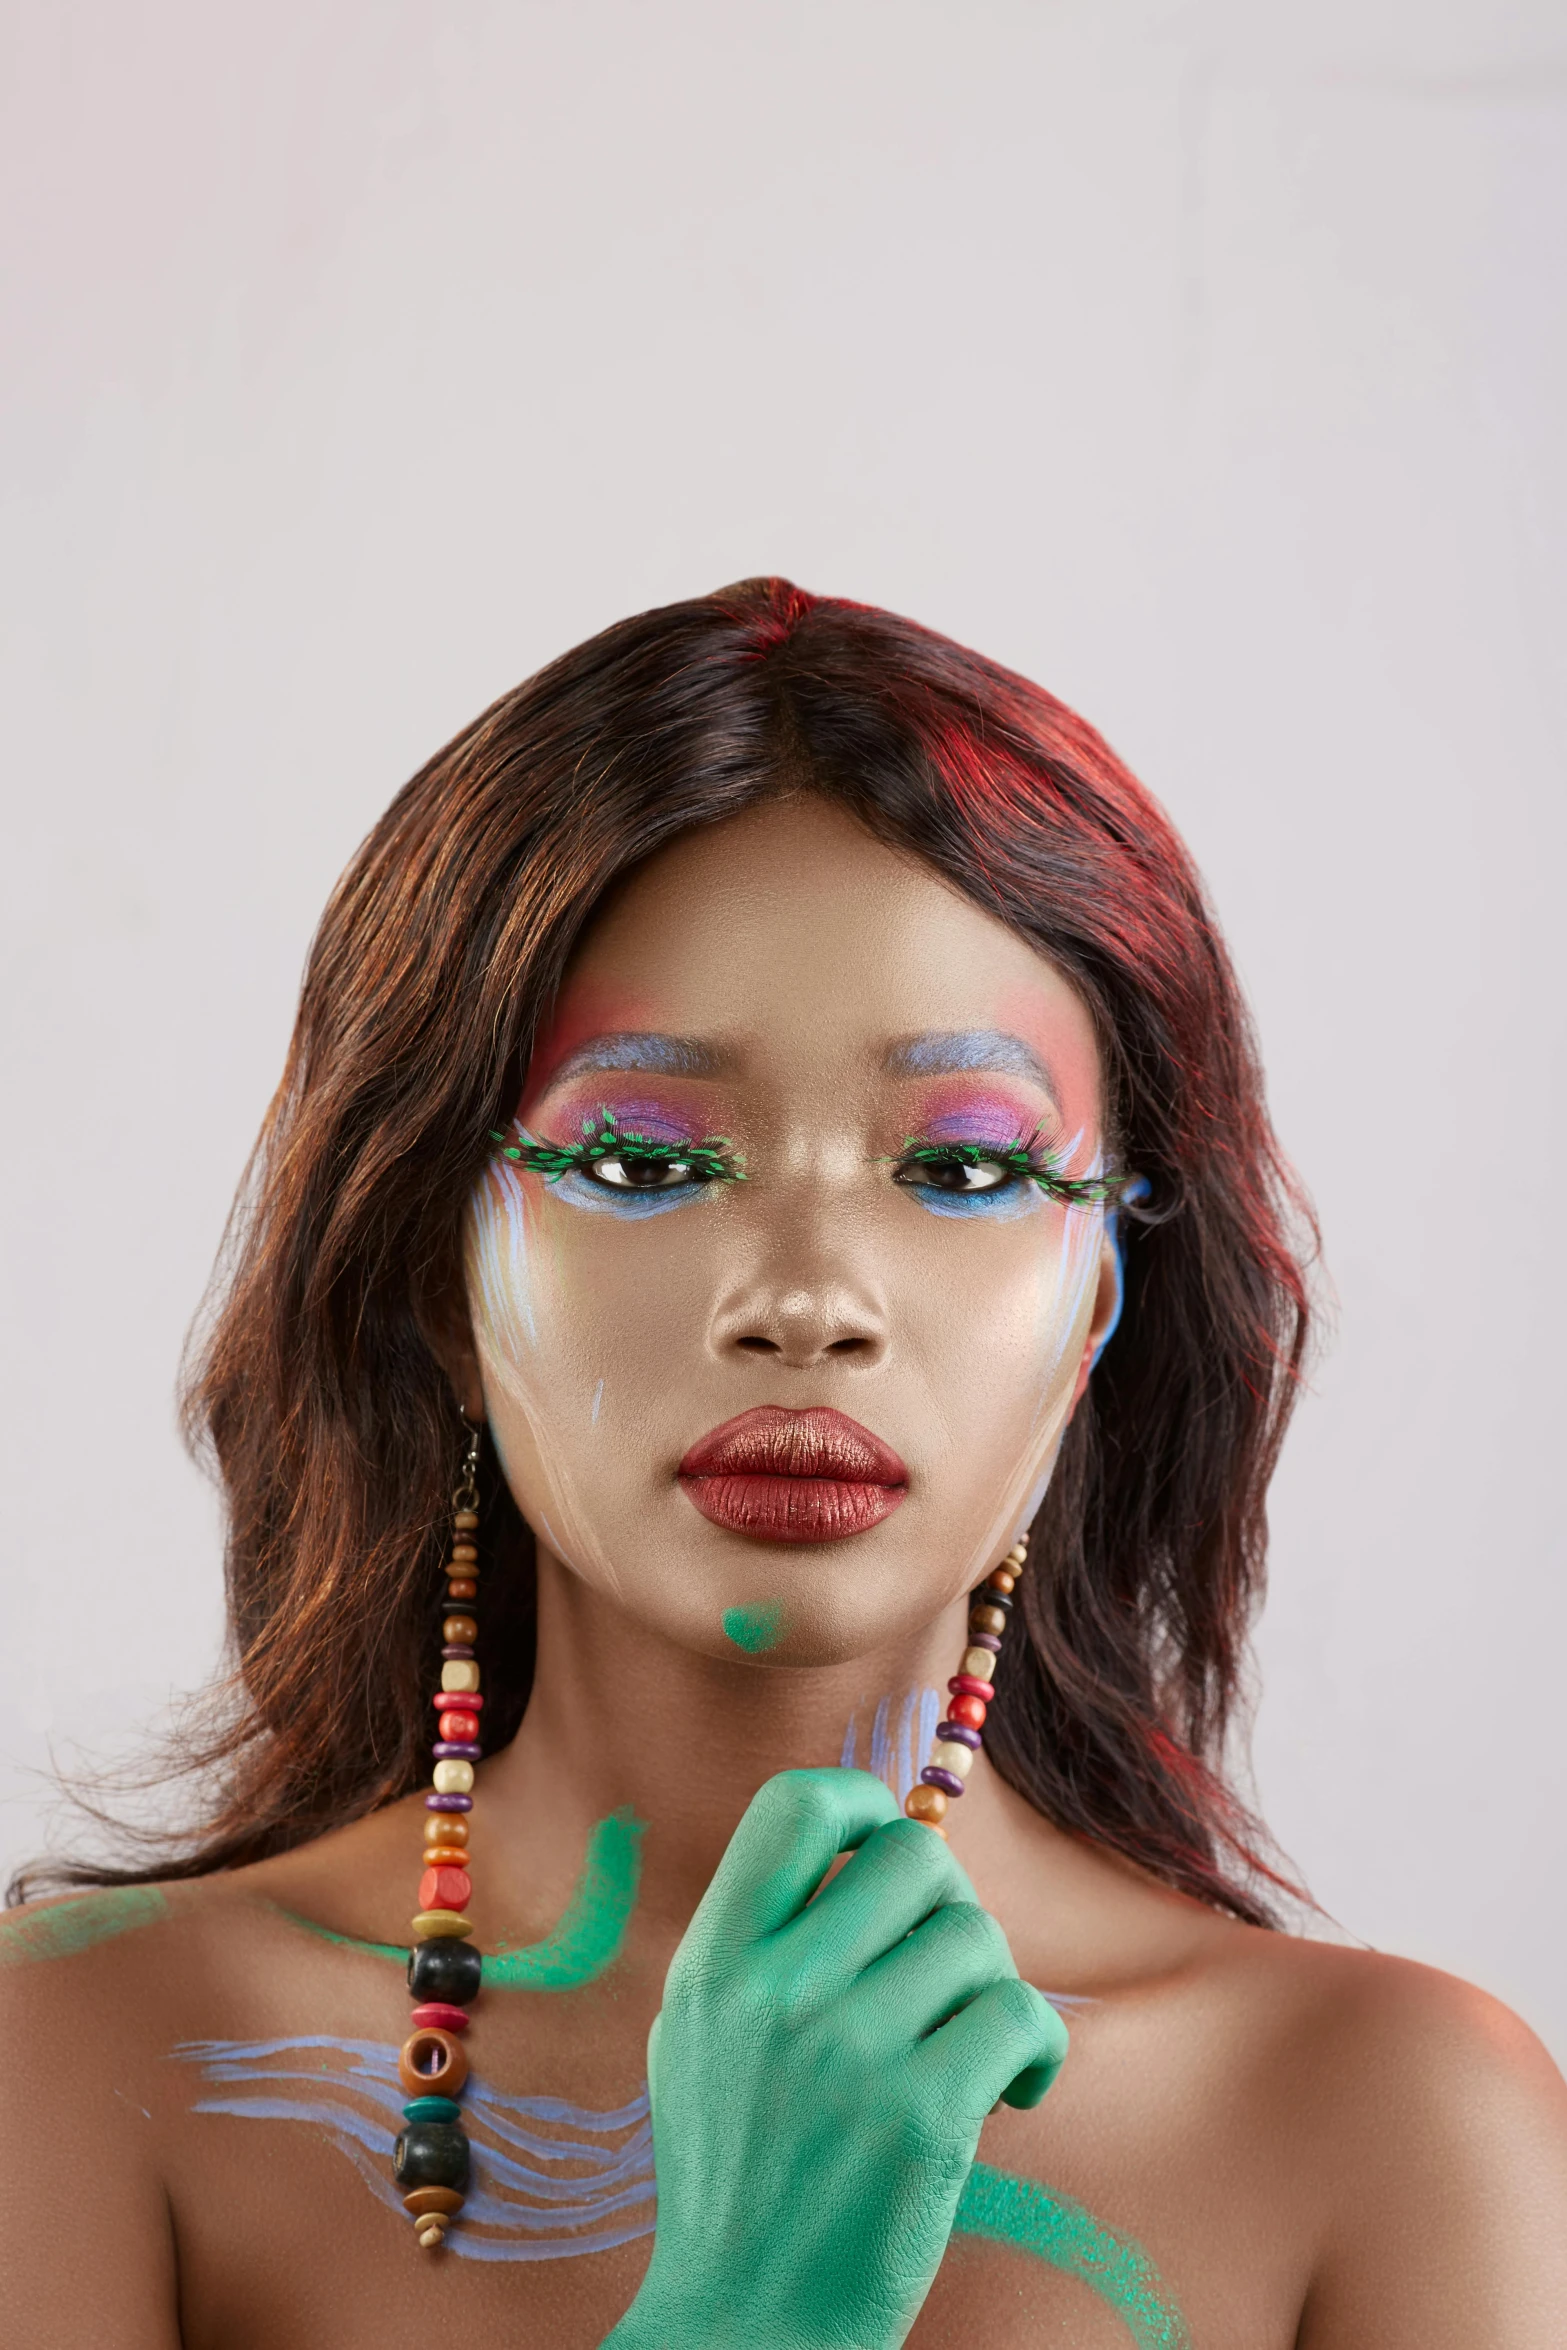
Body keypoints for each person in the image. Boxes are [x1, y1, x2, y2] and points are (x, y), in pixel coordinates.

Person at [4, 579, 1563, 2347]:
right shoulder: (81, 2071)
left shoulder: (1394, 2129)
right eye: (647, 1161)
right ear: (436, 1276)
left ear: (1098, 1302)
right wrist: (747, 2312)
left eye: (966, 1169)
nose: (809, 1301)